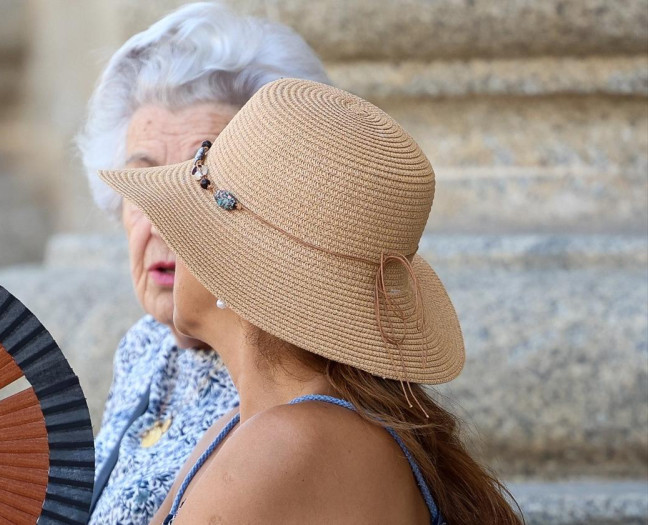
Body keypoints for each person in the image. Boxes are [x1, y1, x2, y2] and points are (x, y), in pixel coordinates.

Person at [0, 4, 330, 524]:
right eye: (141, 184)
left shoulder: (287, 396)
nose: (161, 225)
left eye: (197, 184)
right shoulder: (146, 349)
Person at [98, 78, 522, 524]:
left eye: (187, 222)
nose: (165, 236)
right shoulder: (243, 430)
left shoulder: (286, 445)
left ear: (237, 271)